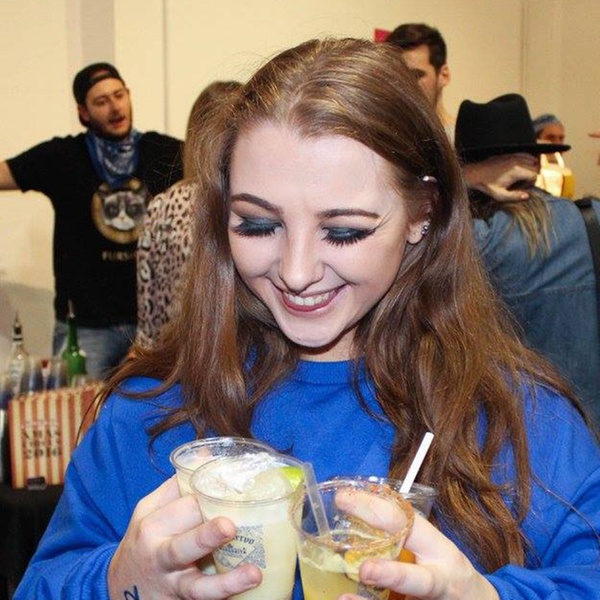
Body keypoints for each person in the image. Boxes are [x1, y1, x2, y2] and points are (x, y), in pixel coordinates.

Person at [14, 39, 600, 600]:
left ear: (422, 211)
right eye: (258, 225)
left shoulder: (521, 417)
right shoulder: (151, 410)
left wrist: (488, 595)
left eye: (343, 231)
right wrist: (117, 582)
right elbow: (44, 583)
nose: (296, 273)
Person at [0, 62, 183, 379]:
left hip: (153, 326)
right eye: (101, 101)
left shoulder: (163, 151)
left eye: (119, 95)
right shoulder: (63, 157)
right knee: (78, 409)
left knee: (155, 408)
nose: (115, 107)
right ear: (83, 112)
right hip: (86, 327)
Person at [456, 93, 600, 427]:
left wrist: (462, 178)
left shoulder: (473, 241)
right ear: (535, 162)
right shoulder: (590, 220)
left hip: (510, 435)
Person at [136, 80, 241, 349]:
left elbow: (149, 319)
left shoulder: (163, 205)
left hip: (179, 356)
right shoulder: (250, 206)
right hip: (242, 355)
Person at [385, 23, 539, 203]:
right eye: (397, 76)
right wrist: (468, 176)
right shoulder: (385, 140)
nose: (405, 84)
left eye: (416, 75)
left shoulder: (471, 136)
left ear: (444, 75)